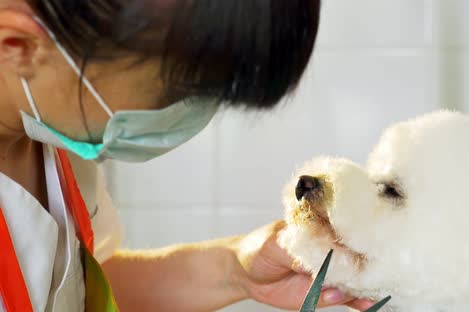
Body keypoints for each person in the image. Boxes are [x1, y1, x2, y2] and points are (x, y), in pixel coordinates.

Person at [0, 0, 374, 311]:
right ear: (18, 45)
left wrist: (235, 268)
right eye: (171, 93)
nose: (186, 115)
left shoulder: (54, 127)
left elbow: (76, 292)